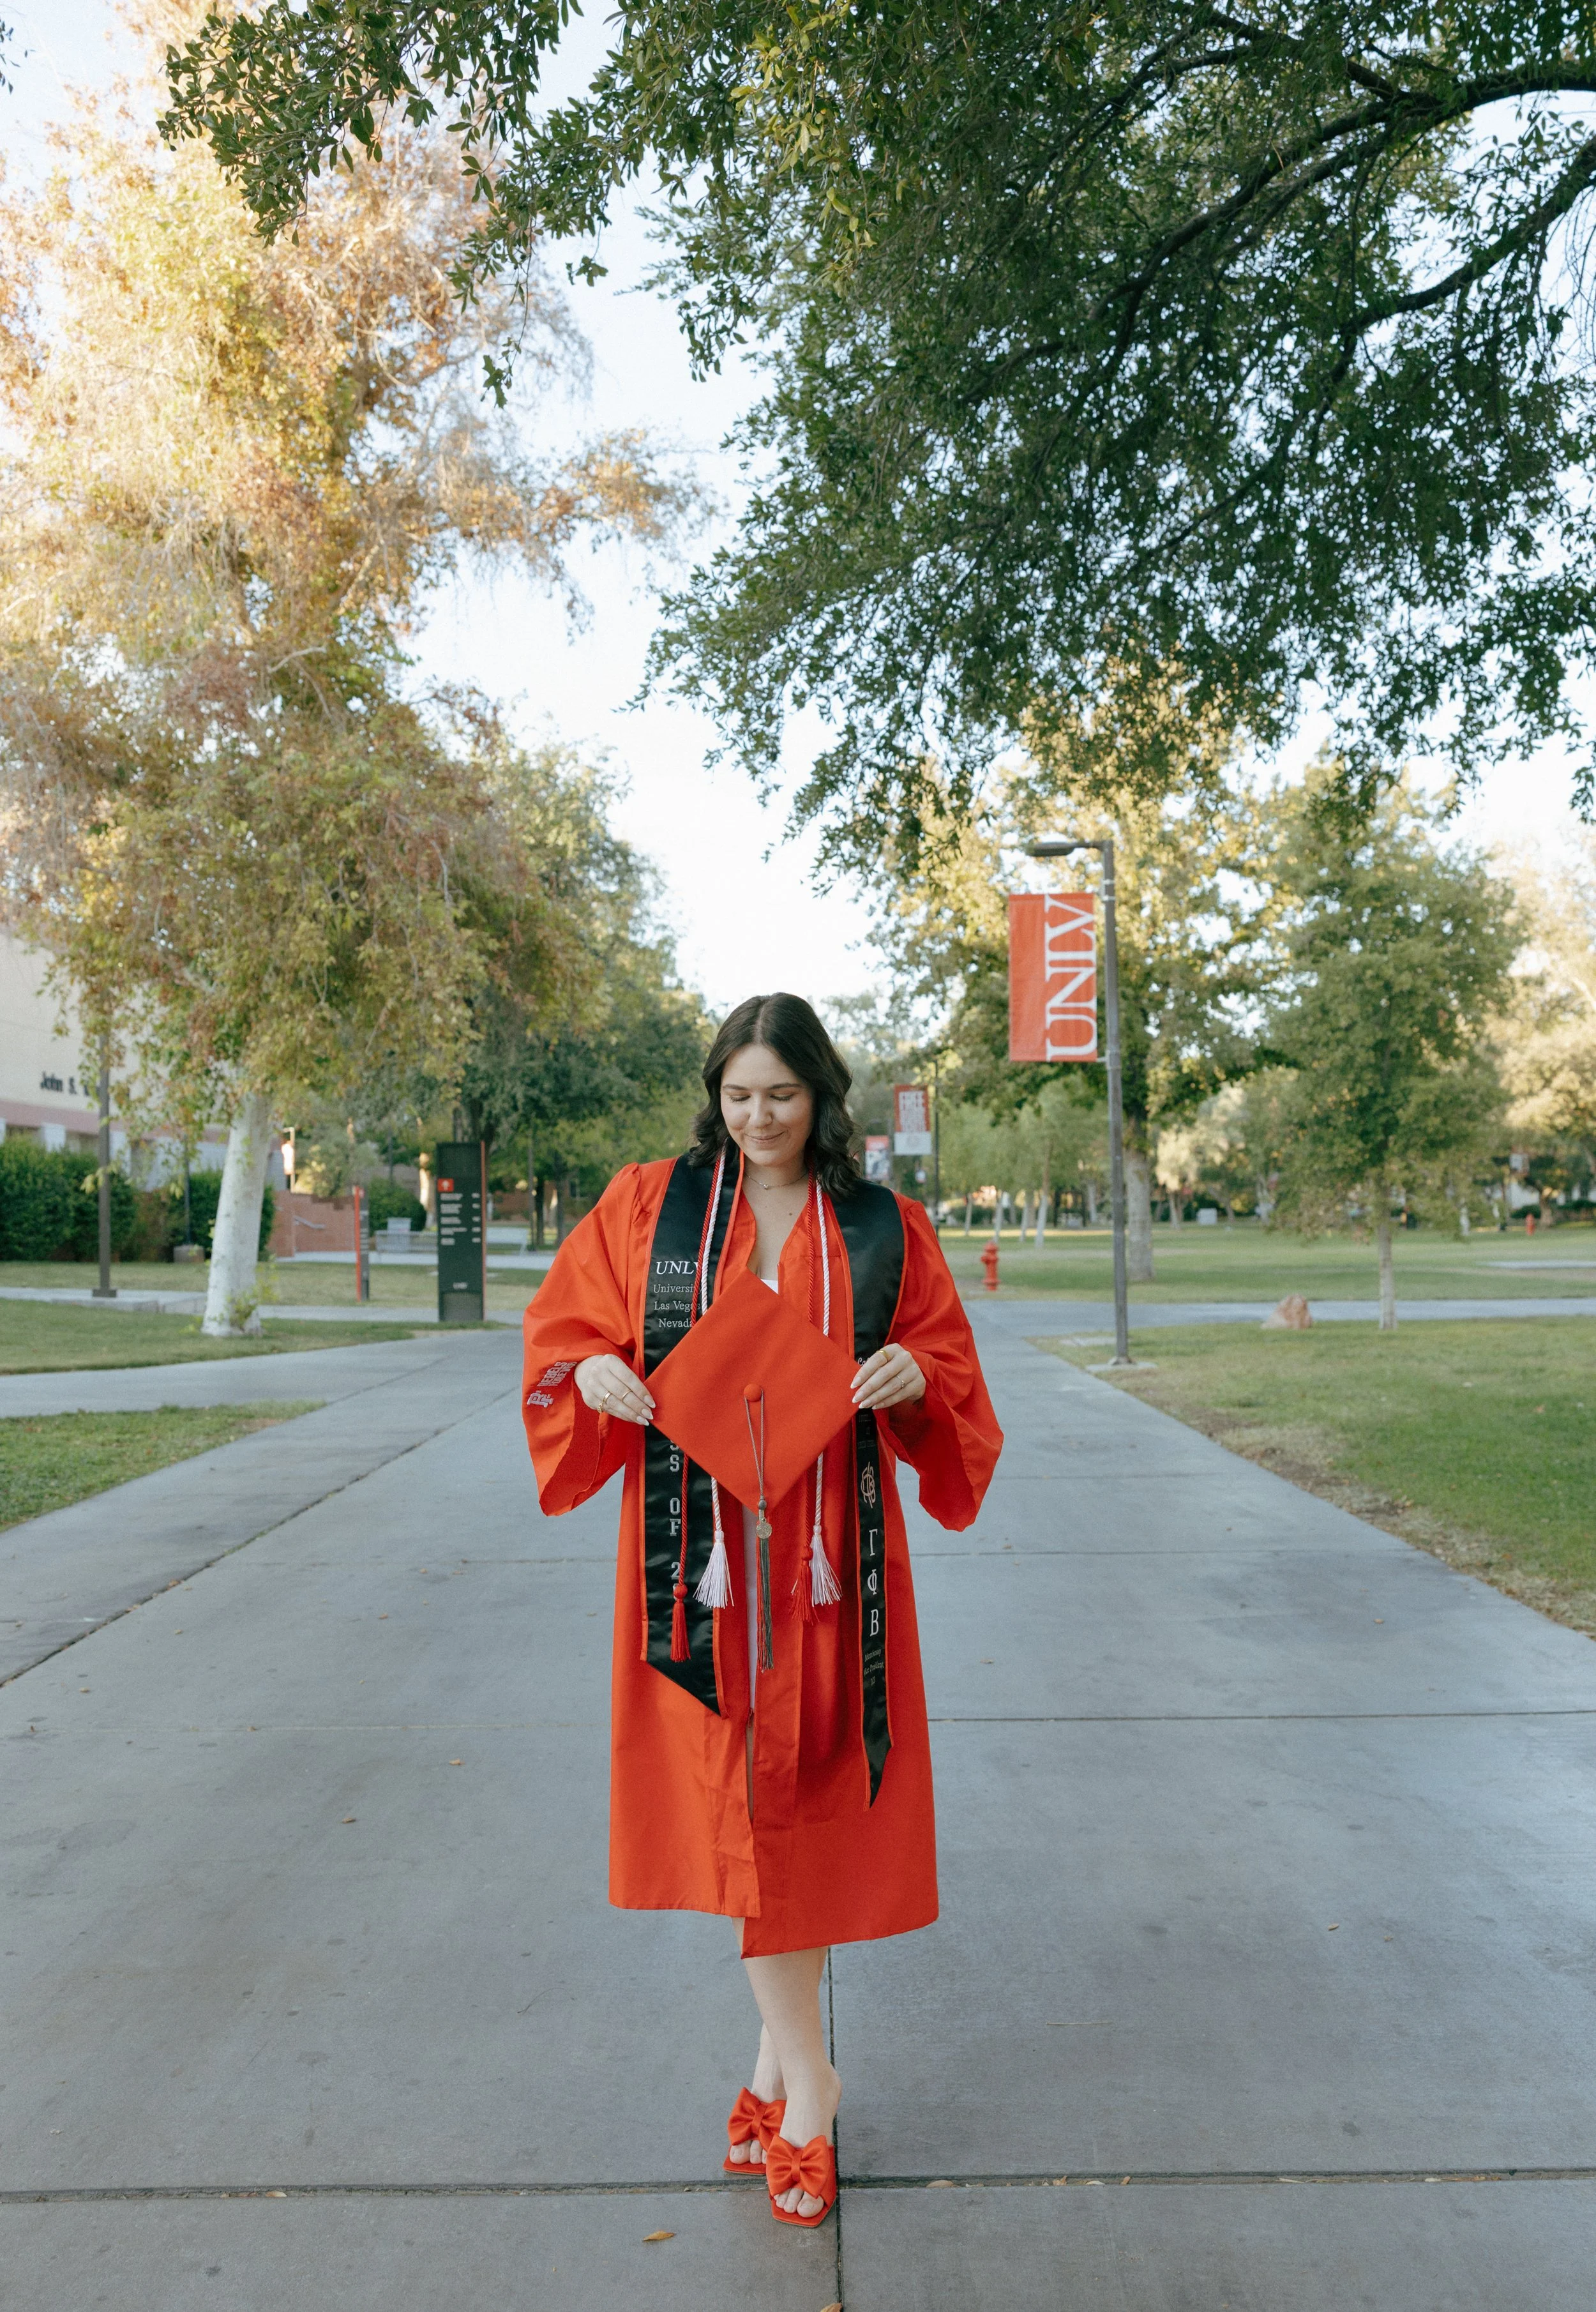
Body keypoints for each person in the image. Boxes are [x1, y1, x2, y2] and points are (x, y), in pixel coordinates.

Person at [520, 994, 1002, 2227]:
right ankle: (802, 2082)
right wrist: (597, 1374)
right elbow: (562, 1343)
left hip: (834, 1572)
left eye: (781, 1097)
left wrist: (909, 1379)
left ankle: (794, 2092)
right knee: (747, 1818)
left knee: (793, 1818)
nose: (758, 1119)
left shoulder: (884, 1226)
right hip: (701, 1575)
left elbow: (947, 1377)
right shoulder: (648, 1205)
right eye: (738, 1097)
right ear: (714, 1096)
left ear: (821, 1096)